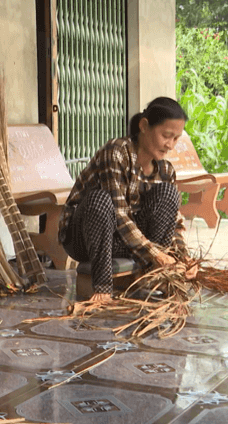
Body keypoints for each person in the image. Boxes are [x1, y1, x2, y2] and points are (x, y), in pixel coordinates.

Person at [57, 96, 191, 307]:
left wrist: (183, 258)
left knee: (168, 193)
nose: (170, 145)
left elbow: (174, 223)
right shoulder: (117, 153)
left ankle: (153, 273)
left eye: (176, 139)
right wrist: (154, 252)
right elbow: (118, 214)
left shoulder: (165, 170)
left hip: (127, 242)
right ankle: (102, 288)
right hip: (85, 235)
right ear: (144, 126)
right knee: (100, 200)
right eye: (166, 136)